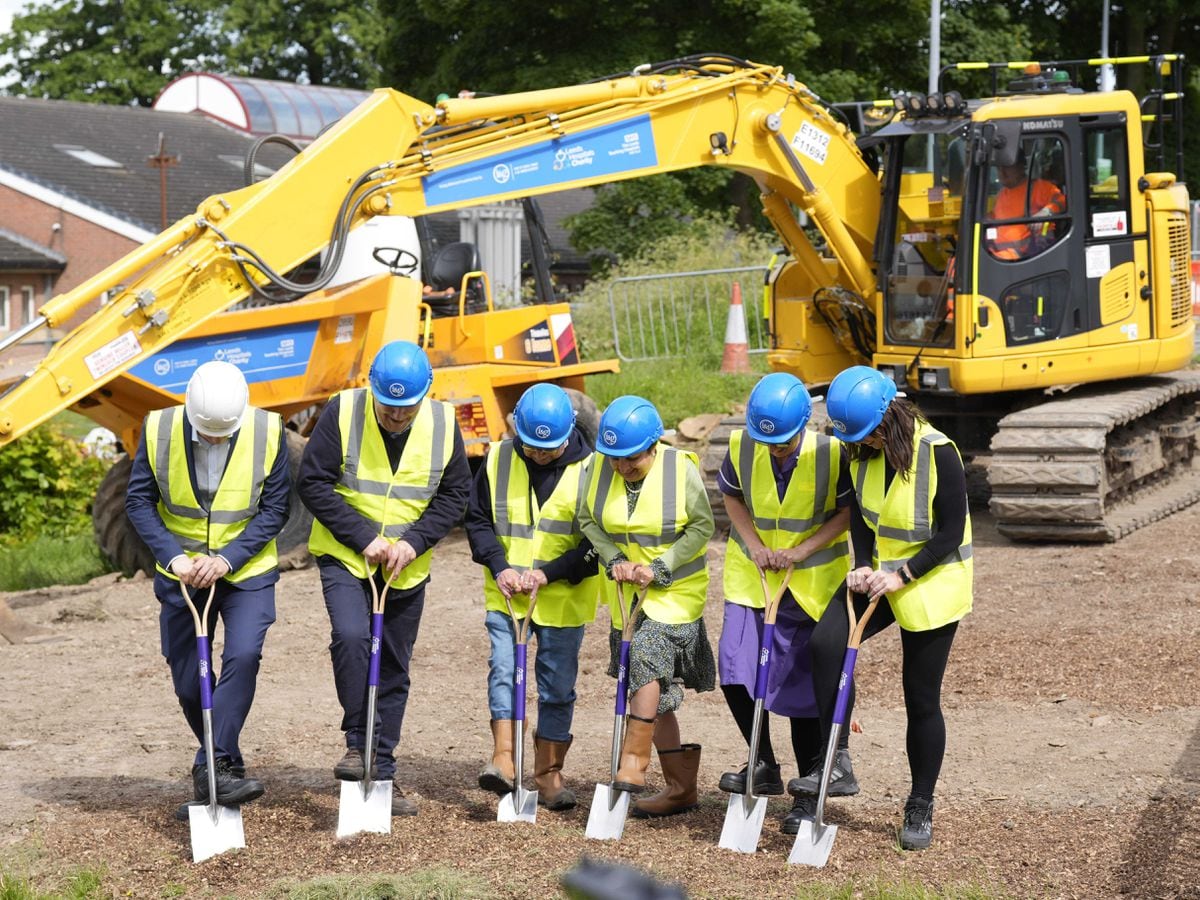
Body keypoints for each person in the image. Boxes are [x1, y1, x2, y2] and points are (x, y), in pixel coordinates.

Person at [798, 365, 972, 851]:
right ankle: (840, 762)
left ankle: (920, 804)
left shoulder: (939, 452)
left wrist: (901, 575)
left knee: (920, 696)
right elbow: (862, 522)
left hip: (931, 579)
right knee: (824, 645)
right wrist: (864, 564)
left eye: (871, 434)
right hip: (881, 574)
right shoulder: (860, 454)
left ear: (889, 416)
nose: (865, 443)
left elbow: (950, 533)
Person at [298, 340, 470, 817]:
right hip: (347, 556)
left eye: (406, 408)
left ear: (425, 395)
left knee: (393, 664)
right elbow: (311, 481)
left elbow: (456, 494)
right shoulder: (343, 411)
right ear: (371, 389)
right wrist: (363, 538)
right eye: (389, 407)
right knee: (351, 637)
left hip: (406, 566)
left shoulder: (442, 424)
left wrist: (414, 542)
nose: (397, 417)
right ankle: (358, 744)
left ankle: (383, 769)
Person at [125, 360, 290, 820]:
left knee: (242, 655)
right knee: (186, 679)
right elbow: (139, 500)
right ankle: (224, 764)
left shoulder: (268, 431)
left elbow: (276, 509)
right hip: (181, 571)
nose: (215, 440)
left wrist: (227, 559)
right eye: (207, 434)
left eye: (223, 434)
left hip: (245, 570)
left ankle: (211, 765)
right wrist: (175, 557)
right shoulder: (158, 429)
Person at [715, 373, 852, 835]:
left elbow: (848, 512)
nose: (775, 449)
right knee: (734, 666)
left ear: (805, 426)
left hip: (809, 580)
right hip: (753, 574)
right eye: (767, 441)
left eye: (784, 442)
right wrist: (753, 544)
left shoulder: (832, 454)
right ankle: (763, 762)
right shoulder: (743, 444)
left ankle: (809, 787)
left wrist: (802, 550)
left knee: (798, 685)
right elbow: (732, 497)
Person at [577, 395, 715, 818]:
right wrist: (614, 560)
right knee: (649, 688)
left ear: (654, 446)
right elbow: (587, 521)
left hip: (675, 592)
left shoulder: (680, 469)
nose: (620, 467)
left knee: (645, 656)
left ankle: (632, 763)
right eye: (614, 458)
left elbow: (702, 526)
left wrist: (660, 566)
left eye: (630, 460)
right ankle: (680, 788)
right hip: (627, 595)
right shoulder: (597, 468)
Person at [465, 383, 600, 811]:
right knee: (503, 670)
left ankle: (548, 774)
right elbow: (478, 520)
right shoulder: (498, 457)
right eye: (532, 447)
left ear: (568, 435)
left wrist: (548, 574)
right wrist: (499, 566)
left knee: (557, 687)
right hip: (506, 593)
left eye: (549, 450)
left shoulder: (594, 470)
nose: (538, 455)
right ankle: (504, 760)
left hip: (562, 598)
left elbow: (597, 544)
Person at [987, 151, 1066, 260]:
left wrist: (1046, 212)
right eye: (999, 168)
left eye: (1007, 167)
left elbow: (1062, 201)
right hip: (997, 253)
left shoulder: (1038, 188)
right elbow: (996, 216)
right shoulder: (1002, 194)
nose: (1002, 172)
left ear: (1021, 167)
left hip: (1024, 255)